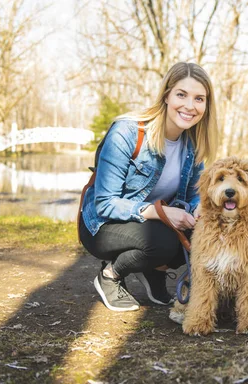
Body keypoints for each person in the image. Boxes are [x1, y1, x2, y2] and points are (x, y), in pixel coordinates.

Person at [79, 62, 219, 312]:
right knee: (163, 242)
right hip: (101, 224)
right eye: (181, 94)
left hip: (152, 224)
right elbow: (105, 203)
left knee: (203, 233)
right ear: (166, 95)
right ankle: (111, 275)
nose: (190, 106)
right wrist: (160, 213)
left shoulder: (193, 143)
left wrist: (198, 211)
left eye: (199, 98)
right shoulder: (127, 132)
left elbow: (194, 195)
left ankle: (155, 271)